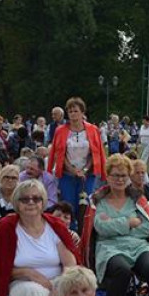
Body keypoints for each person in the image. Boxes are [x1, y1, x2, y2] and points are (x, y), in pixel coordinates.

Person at [81, 154, 149, 296]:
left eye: (123, 175)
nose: (120, 179)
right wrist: (128, 222)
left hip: (138, 246)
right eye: (115, 175)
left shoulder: (137, 199)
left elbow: (147, 228)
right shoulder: (98, 201)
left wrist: (115, 225)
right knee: (121, 271)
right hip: (109, 248)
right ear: (108, 176)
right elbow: (101, 228)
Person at [47, 97, 106, 230]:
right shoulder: (60, 130)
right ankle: (70, 232)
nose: (73, 114)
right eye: (70, 111)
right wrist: (73, 170)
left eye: (75, 111)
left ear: (82, 112)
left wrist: (84, 170)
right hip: (67, 174)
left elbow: (95, 152)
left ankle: (85, 233)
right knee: (69, 205)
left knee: (85, 205)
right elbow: (59, 153)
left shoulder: (93, 129)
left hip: (87, 174)